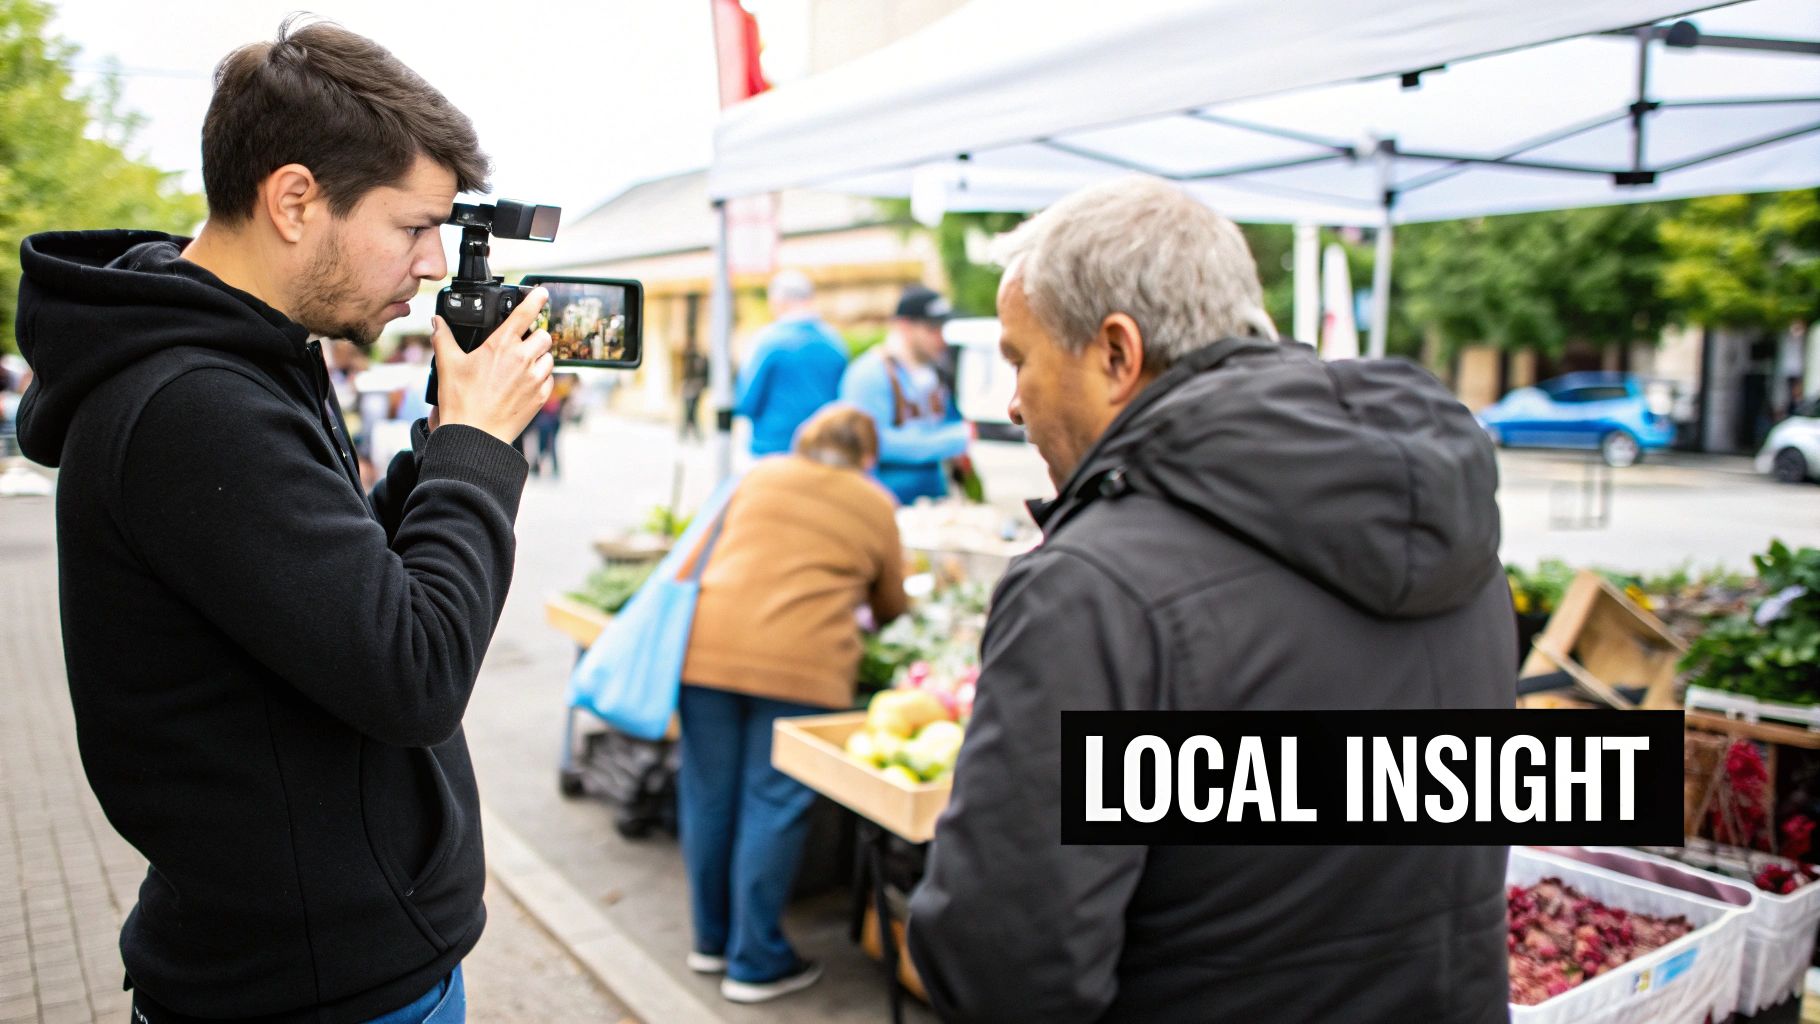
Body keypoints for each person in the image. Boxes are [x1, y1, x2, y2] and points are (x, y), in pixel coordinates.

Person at [12, 18, 554, 1024]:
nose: (435, 263)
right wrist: (479, 447)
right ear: (295, 198)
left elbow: (337, 582)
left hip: (313, 959)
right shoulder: (194, 405)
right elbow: (413, 668)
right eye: (412, 226)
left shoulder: (243, 361)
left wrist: (444, 440)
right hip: (317, 988)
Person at [905, 176, 1514, 1023]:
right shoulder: (1455, 537)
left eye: (1020, 358)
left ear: (1117, 354)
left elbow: (1008, 963)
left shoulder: (1093, 589)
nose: (1012, 400)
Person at [673, 404, 908, 1005]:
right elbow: (891, 603)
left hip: (708, 650)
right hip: (803, 667)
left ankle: (711, 940)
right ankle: (754, 963)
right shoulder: (874, 501)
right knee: (771, 805)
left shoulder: (758, 475)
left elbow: (692, 556)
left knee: (708, 796)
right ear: (867, 456)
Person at [839, 284, 970, 505]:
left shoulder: (934, 371)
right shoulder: (868, 374)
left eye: (942, 329)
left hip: (933, 505)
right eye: (932, 329)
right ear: (904, 327)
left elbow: (945, 422)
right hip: (885, 505)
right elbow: (873, 442)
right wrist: (958, 439)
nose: (941, 339)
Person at [734, 269, 848, 457]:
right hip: (821, 449)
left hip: (773, 449)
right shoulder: (835, 341)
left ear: (778, 301)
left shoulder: (767, 341)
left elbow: (746, 401)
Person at [679, 341, 709, 442]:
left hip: (694, 390)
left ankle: (688, 433)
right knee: (689, 413)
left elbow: (703, 376)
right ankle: (688, 433)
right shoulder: (691, 360)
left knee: (691, 412)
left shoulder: (698, 360)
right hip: (690, 390)